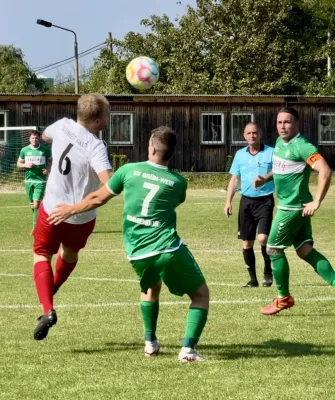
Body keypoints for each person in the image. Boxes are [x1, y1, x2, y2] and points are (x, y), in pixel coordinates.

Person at [47, 126, 209, 362]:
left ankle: (150, 343)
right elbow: (176, 201)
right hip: (166, 248)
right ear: (171, 152)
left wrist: (70, 209)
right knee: (201, 295)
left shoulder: (129, 171)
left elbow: (98, 198)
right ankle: (187, 350)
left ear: (151, 147)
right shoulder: (178, 182)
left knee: (150, 288)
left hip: (136, 251)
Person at [32, 93, 112, 340]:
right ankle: (52, 289)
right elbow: (108, 184)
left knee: (41, 255)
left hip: (52, 209)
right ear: (97, 121)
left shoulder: (62, 125)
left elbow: (46, 136)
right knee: (69, 253)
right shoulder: (95, 146)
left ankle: (47, 307)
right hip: (81, 218)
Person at [254, 107, 335, 315]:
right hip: (294, 206)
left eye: (287, 122)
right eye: (280, 122)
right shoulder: (281, 143)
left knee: (272, 248)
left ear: (297, 124)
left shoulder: (303, 146)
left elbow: (325, 170)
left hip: (292, 207)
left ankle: (283, 298)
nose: (283, 126)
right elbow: (283, 167)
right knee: (304, 250)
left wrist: (317, 201)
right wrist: (266, 177)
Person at [224, 122, 274, 288]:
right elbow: (234, 179)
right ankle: (253, 280)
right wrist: (228, 201)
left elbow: (279, 170)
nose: (252, 136)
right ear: (244, 136)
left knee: (263, 238)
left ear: (260, 134)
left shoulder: (271, 152)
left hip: (265, 200)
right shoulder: (239, 155)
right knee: (246, 242)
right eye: (248, 133)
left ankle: (268, 270)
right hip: (246, 201)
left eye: (255, 133)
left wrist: (265, 178)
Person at [17, 130, 52, 235]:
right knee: (33, 206)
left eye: (36, 138)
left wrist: (48, 170)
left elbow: (51, 161)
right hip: (28, 180)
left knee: (36, 203)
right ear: (29, 139)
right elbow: (18, 163)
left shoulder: (45, 150)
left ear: (39, 138)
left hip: (40, 181)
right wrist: (25, 165)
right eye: (32, 138)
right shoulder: (24, 150)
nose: (34, 139)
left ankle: (36, 227)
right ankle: (42, 221)